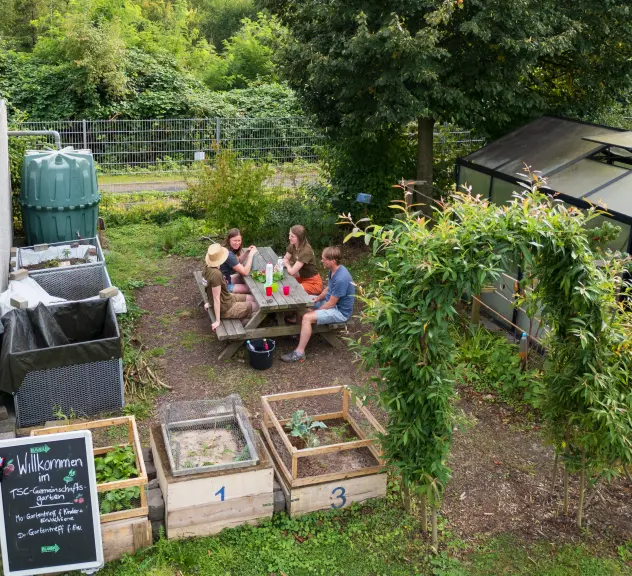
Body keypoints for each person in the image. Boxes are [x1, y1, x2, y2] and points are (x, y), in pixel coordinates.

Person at [281, 246, 354, 363]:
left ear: (333, 261)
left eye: (324, 259)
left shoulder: (341, 278)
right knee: (301, 301)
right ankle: (297, 332)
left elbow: (331, 303)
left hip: (340, 311)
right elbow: (328, 288)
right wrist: (317, 298)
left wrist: (316, 310)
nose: (322, 261)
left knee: (307, 317)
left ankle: (299, 352)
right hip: (330, 303)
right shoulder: (334, 270)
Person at [203, 243, 259, 331]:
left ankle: (244, 318)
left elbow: (208, 288)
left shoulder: (207, 268)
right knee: (256, 306)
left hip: (226, 298)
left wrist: (209, 303)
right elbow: (216, 298)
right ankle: (244, 324)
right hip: (225, 309)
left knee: (252, 298)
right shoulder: (216, 274)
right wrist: (217, 321)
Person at [282, 225, 323, 296]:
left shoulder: (306, 251)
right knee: (283, 284)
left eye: (292, 236)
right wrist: (279, 265)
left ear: (299, 238)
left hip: (313, 283)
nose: (289, 238)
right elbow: (285, 259)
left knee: (293, 291)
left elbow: (292, 272)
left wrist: (287, 264)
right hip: (301, 278)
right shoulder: (293, 245)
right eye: (289, 235)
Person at [220, 228, 257, 294]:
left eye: (239, 240)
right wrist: (251, 255)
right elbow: (245, 272)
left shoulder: (226, 248)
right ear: (229, 240)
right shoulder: (228, 254)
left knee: (249, 278)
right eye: (235, 240)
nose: (237, 243)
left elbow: (238, 261)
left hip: (224, 278)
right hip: (223, 286)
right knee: (253, 288)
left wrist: (247, 252)